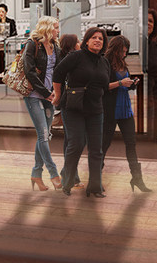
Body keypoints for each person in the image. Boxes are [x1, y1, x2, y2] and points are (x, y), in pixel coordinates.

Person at [55, 26, 110, 196]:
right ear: (86, 40)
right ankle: (67, 181)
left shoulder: (104, 62)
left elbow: (105, 86)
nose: (97, 40)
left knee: (96, 149)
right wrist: (58, 95)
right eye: (94, 37)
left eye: (100, 38)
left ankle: (95, 187)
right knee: (77, 143)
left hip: (95, 109)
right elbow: (58, 72)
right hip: (74, 108)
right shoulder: (76, 56)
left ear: (104, 43)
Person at [19, 17, 61, 190]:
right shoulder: (32, 44)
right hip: (35, 95)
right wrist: (46, 93)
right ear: (48, 28)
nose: (58, 30)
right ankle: (53, 173)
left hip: (50, 95)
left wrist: (56, 93)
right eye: (56, 27)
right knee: (43, 135)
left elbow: (58, 71)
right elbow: (29, 72)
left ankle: (36, 173)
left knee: (44, 135)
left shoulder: (55, 47)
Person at [104, 35, 148, 192]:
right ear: (115, 50)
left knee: (131, 144)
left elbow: (124, 85)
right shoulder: (105, 63)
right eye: (122, 51)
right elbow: (102, 86)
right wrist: (121, 83)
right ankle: (96, 179)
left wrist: (131, 84)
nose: (124, 54)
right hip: (110, 110)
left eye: (126, 51)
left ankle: (137, 179)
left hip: (125, 110)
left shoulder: (122, 63)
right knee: (104, 145)